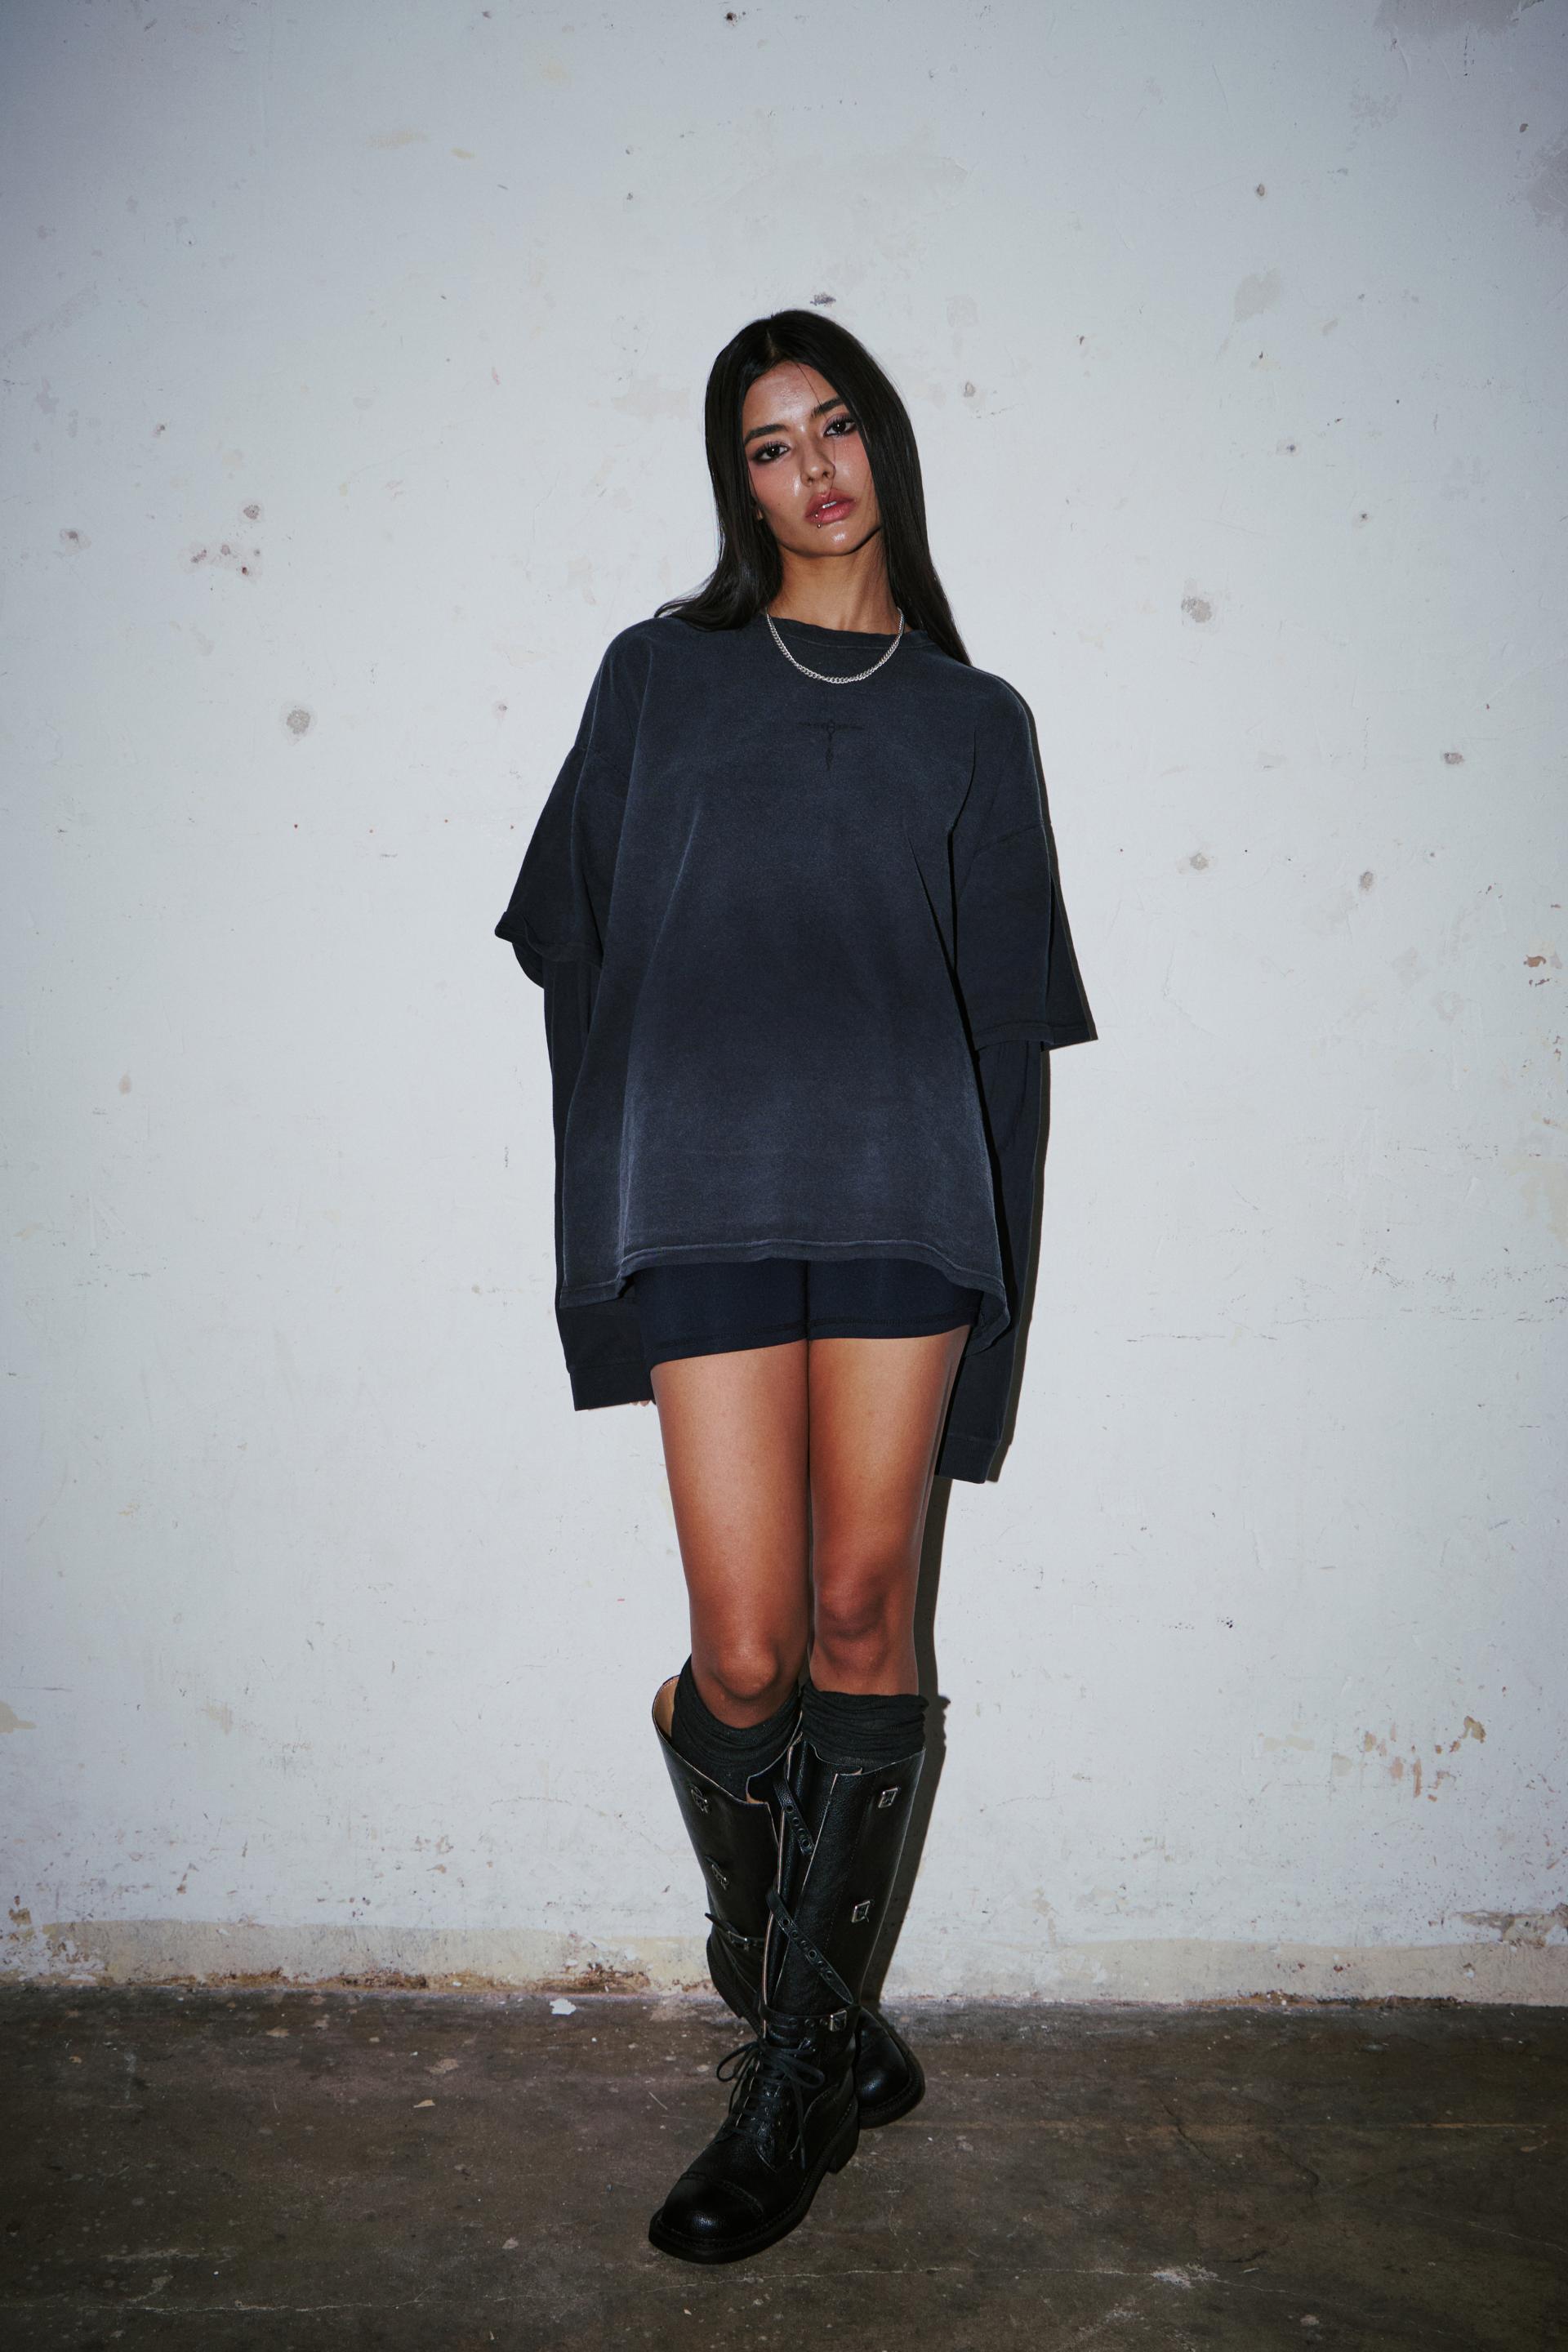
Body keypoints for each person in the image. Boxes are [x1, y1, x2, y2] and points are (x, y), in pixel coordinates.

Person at [494, 309, 1095, 2266]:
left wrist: (998, 1332)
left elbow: (1007, 1044)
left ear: (884, 443)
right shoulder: (657, 678)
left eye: (834, 426)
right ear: (735, 484)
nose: (812, 468)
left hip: (909, 1198)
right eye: (768, 444)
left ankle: (798, 2074)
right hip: (705, 1193)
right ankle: (796, 1989)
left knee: (861, 1613)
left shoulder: (973, 721)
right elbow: (576, 959)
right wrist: (600, 1231)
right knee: (745, 1657)